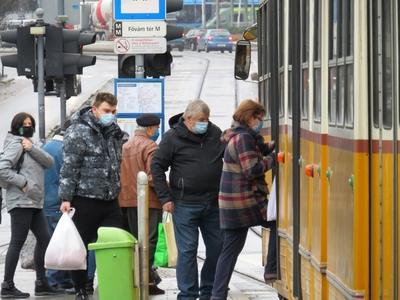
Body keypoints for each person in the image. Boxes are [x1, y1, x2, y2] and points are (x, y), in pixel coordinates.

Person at [151, 100, 225, 300]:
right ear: (188, 119)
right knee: (188, 251)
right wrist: (165, 197)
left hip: (213, 203)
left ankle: (208, 291)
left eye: (207, 120)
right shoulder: (172, 138)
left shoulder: (215, 133)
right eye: (201, 120)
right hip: (184, 204)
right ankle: (188, 294)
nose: (205, 124)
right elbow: (157, 166)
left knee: (218, 248)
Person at [59, 92, 125, 300]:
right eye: (107, 111)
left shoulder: (114, 132)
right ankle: (81, 288)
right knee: (79, 247)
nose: (110, 115)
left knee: (114, 243)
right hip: (85, 198)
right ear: (95, 109)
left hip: (110, 199)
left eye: (114, 112)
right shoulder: (78, 131)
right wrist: (66, 198)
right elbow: (69, 166)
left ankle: (109, 283)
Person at [211, 100, 275, 300]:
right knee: (278, 223)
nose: (261, 122)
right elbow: (252, 169)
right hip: (244, 201)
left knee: (230, 250)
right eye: (259, 118)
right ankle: (272, 269)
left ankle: (217, 294)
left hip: (233, 202)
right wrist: (275, 159)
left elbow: (259, 149)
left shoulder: (239, 135)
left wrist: (273, 146)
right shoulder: (244, 138)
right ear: (249, 117)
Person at [0, 112, 64, 298]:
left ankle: (41, 282)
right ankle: (7, 286)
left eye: (30, 123)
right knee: (17, 242)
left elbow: (49, 161)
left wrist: (31, 148)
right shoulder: (15, 144)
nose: (27, 126)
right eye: (23, 124)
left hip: (34, 202)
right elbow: (2, 169)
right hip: (21, 201)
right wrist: (23, 183)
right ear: (15, 126)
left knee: (45, 240)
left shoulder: (29, 144)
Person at [119, 113, 164, 295]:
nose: (158, 131)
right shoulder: (150, 146)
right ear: (151, 128)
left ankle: (134, 280)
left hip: (126, 200)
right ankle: (146, 281)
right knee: (148, 242)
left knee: (133, 242)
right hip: (148, 202)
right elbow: (152, 177)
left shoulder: (125, 145)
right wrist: (167, 189)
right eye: (157, 127)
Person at [42, 123, 74, 292]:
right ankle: (55, 279)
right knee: (61, 242)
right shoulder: (64, 150)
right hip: (59, 202)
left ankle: (61, 278)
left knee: (51, 241)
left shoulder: (45, 147)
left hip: (44, 201)